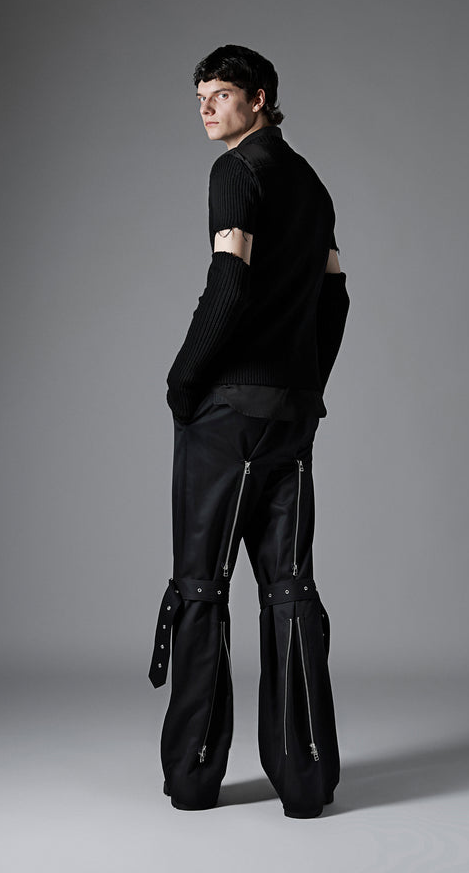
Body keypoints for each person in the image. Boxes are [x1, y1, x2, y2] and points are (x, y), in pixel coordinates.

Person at [148, 44, 350, 819]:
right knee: (289, 588)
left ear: (259, 98)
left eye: (221, 93)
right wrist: (307, 383)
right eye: (200, 94)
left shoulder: (237, 172)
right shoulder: (312, 183)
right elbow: (336, 297)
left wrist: (183, 381)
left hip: (227, 413)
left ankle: (194, 779)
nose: (205, 107)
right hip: (291, 414)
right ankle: (305, 782)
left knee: (202, 585)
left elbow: (228, 284)